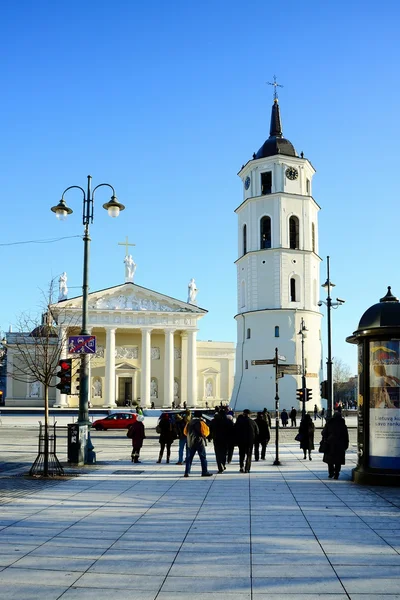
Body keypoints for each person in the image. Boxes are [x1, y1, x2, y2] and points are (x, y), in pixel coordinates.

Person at [184, 411, 213, 477]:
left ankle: (187, 472)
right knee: (203, 457)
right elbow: (205, 433)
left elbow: (185, 432)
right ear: (200, 416)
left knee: (189, 458)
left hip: (190, 442)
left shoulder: (189, 422)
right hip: (199, 441)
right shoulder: (201, 422)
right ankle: (204, 471)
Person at [321, 411, 349, 479]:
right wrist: (346, 445)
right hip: (340, 445)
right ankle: (337, 473)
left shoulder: (329, 423)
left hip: (330, 444)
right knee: (338, 460)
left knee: (330, 460)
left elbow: (324, 433)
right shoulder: (343, 425)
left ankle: (331, 472)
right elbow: (346, 436)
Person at [234, 409, 259, 473]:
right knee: (249, 455)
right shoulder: (252, 422)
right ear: (249, 415)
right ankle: (247, 468)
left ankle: (241, 466)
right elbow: (257, 432)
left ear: (243, 414)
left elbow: (235, 430)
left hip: (241, 441)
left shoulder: (239, 422)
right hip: (249, 441)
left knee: (241, 454)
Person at [210, 409, 234, 473]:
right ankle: (223, 464)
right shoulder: (228, 421)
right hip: (226, 439)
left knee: (218, 453)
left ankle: (220, 466)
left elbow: (210, 430)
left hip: (217, 439)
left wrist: (210, 437)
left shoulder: (214, 421)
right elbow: (232, 431)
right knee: (224, 453)